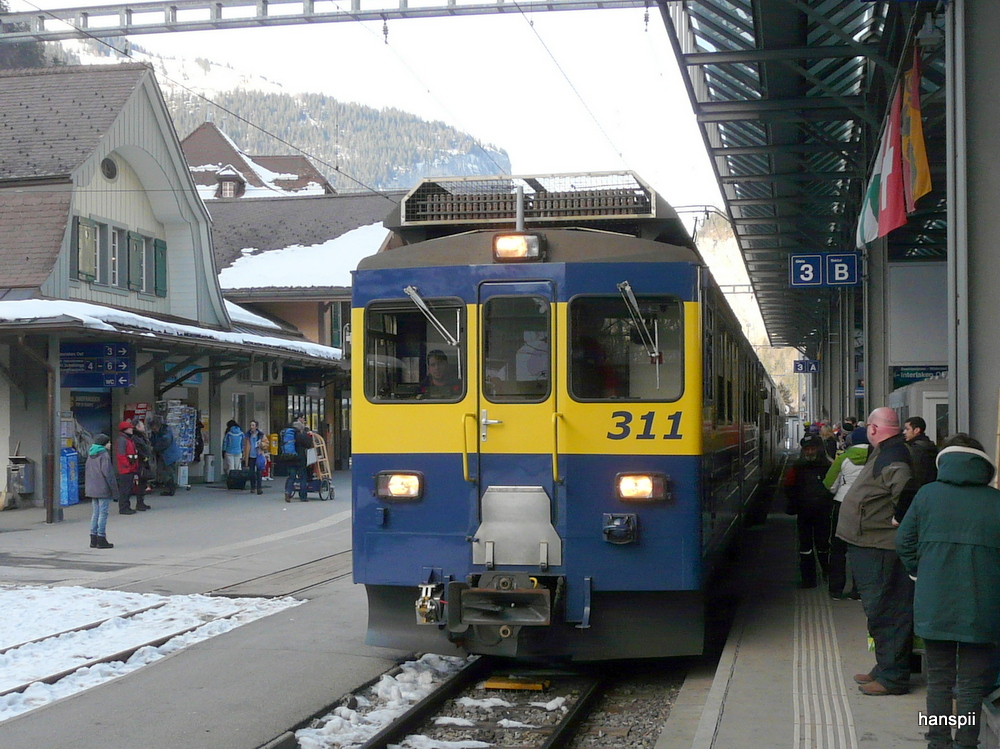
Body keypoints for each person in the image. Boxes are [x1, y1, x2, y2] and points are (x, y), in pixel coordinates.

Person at [896, 434, 1000, 749]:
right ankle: (966, 743)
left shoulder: (927, 495)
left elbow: (903, 541)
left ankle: (938, 741)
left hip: (934, 602)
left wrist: (918, 571)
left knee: (939, 682)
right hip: (982, 606)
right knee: (970, 684)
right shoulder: (996, 502)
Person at [836, 406, 914, 696]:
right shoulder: (887, 451)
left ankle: (893, 676)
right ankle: (884, 667)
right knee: (878, 609)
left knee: (887, 610)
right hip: (869, 543)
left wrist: (898, 517)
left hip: (879, 546)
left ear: (872, 429)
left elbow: (905, 489)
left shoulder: (893, 456)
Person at [824, 425, 869, 600]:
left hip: (843, 505)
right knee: (862, 549)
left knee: (837, 549)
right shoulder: (876, 458)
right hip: (867, 507)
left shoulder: (843, 458)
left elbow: (829, 484)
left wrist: (841, 491)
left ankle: (836, 589)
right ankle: (859, 591)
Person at [784, 433, 833, 588]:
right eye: (807, 449)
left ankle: (826, 573)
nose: (810, 452)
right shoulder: (798, 468)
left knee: (822, 544)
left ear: (819, 449)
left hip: (822, 512)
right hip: (806, 511)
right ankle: (810, 579)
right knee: (806, 547)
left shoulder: (828, 466)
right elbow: (789, 487)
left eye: (812, 449)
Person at [895, 416, 939, 523]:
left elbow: (913, 479)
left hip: (915, 497)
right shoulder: (930, 446)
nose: (904, 432)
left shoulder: (914, 450)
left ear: (917, 430)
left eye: (907, 429)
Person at [85, 434, 118, 549]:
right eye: (108, 442)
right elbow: (108, 474)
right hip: (102, 487)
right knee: (103, 513)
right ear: (104, 444)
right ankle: (101, 538)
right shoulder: (104, 455)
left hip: (92, 487)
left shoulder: (91, 454)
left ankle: (93, 538)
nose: (110, 444)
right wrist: (115, 491)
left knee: (95, 512)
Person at [149, 416, 181, 496]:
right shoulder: (157, 432)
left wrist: (154, 448)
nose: (153, 430)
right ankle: (169, 487)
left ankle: (171, 489)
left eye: (154, 428)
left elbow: (165, 443)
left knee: (168, 472)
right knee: (162, 471)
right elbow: (153, 441)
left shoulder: (166, 431)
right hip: (164, 455)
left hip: (170, 455)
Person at [114, 420, 139, 515]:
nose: (131, 429)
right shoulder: (122, 440)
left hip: (129, 468)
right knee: (125, 489)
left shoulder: (127, 439)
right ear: (125, 430)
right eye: (130, 428)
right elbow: (121, 455)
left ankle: (126, 506)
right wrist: (128, 465)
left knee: (128, 489)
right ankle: (124, 508)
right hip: (126, 469)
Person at [283, 421, 313, 502]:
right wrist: (307, 434)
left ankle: (288, 492)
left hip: (290, 458)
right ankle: (303, 496)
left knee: (291, 476)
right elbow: (309, 444)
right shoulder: (300, 435)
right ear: (300, 428)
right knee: (303, 477)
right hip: (300, 459)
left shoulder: (288, 435)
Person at [131, 419, 154, 510]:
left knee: (143, 482)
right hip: (141, 462)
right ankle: (139, 503)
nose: (144, 427)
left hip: (144, 461)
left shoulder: (141, 436)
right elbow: (138, 449)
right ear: (137, 427)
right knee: (141, 482)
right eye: (142, 425)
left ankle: (141, 502)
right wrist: (144, 457)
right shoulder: (136, 437)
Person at [242, 420, 267, 495]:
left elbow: (266, 443)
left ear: (256, 426)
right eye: (250, 425)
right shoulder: (247, 435)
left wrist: (261, 444)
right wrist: (244, 454)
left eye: (253, 425)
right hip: (250, 455)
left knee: (259, 472)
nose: (251, 427)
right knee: (251, 473)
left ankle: (259, 488)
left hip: (258, 455)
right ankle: (253, 487)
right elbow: (244, 445)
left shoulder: (261, 434)